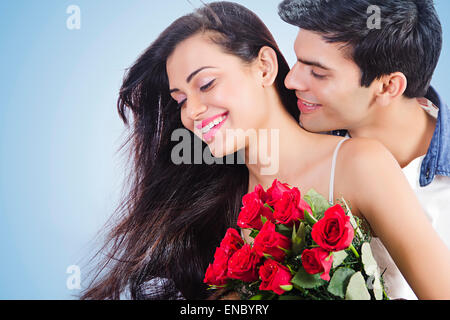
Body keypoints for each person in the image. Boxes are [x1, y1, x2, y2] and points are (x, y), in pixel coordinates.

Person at [80, 1, 450, 300]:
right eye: (180, 99)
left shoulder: (360, 162)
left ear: (263, 67)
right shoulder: (217, 200)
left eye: (206, 84)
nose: (191, 112)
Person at [278, 0, 450, 299]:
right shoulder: (296, 146)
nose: (291, 80)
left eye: (317, 72)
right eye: (297, 61)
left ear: (387, 87)